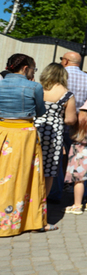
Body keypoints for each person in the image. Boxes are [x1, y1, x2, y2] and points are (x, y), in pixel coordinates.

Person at [0, 54, 46, 236]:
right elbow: (40, 111)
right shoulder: (34, 86)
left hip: (2, 129)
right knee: (24, 177)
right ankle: (27, 220)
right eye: (34, 68)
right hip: (23, 134)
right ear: (26, 68)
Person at [34, 63, 77, 200]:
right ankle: (41, 204)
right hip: (53, 133)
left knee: (32, 167)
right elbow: (70, 120)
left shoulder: (37, 88)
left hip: (35, 129)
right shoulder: (67, 94)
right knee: (49, 170)